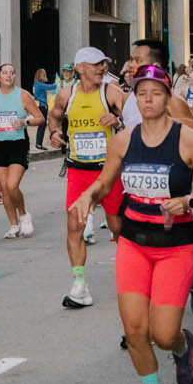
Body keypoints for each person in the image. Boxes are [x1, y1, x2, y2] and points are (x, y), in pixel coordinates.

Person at [70, 65, 193, 384]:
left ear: (168, 97)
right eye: (141, 94)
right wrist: (89, 195)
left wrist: (188, 201)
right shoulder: (124, 140)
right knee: (135, 331)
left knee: (164, 334)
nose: (148, 100)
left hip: (175, 246)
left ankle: (183, 346)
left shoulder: (187, 139)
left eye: (156, 93)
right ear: (135, 100)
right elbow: (105, 182)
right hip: (134, 242)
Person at [47, 46, 125, 308]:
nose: (102, 68)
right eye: (95, 64)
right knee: (74, 226)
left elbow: (136, 121)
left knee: (117, 227)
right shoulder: (66, 95)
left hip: (109, 171)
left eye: (104, 63)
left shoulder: (111, 92)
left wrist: (117, 121)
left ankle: (131, 273)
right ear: (80, 68)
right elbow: (53, 117)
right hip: (79, 169)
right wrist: (54, 133)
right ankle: (79, 286)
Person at [0, 63, 36, 237]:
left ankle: (24, 215)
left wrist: (25, 122)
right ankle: (13, 225)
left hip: (17, 143)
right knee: (4, 189)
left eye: (11, 73)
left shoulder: (23, 95)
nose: (8, 76)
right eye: (5, 73)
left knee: (12, 186)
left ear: (15, 76)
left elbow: (40, 117)